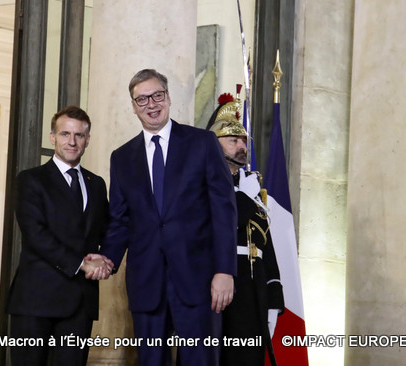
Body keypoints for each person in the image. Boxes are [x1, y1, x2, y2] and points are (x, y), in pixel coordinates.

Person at [100, 68, 237, 366]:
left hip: (199, 283)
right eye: (142, 99)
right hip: (147, 284)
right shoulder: (121, 157)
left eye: (157, 95)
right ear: (133, 107)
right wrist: (106, 258)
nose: (151, 104)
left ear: (168, 97)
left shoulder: (202, 143)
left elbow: (224, 211)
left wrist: (225, 271)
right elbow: (120, 220)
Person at [6, 105, 111, 366]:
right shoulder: (30, 180)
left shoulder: (96, 184)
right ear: (52, 137)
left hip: (80, 303)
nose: (72, 142)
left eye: (79, 135)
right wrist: (83, 263)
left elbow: (108, 229)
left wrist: (107, 259)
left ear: (88, 139)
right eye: (65, 134)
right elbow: (35, 235)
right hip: (35, 301)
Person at [205, 94, 283, 366]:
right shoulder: (203, 183)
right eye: (233, 140)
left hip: (253, 287)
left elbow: (265, 244)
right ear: (213, 145)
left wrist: (274, 293)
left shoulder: (252, 186)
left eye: (243, 141)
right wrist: (245, 199)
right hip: (218, 283)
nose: (241, 146)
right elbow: (224, 224)